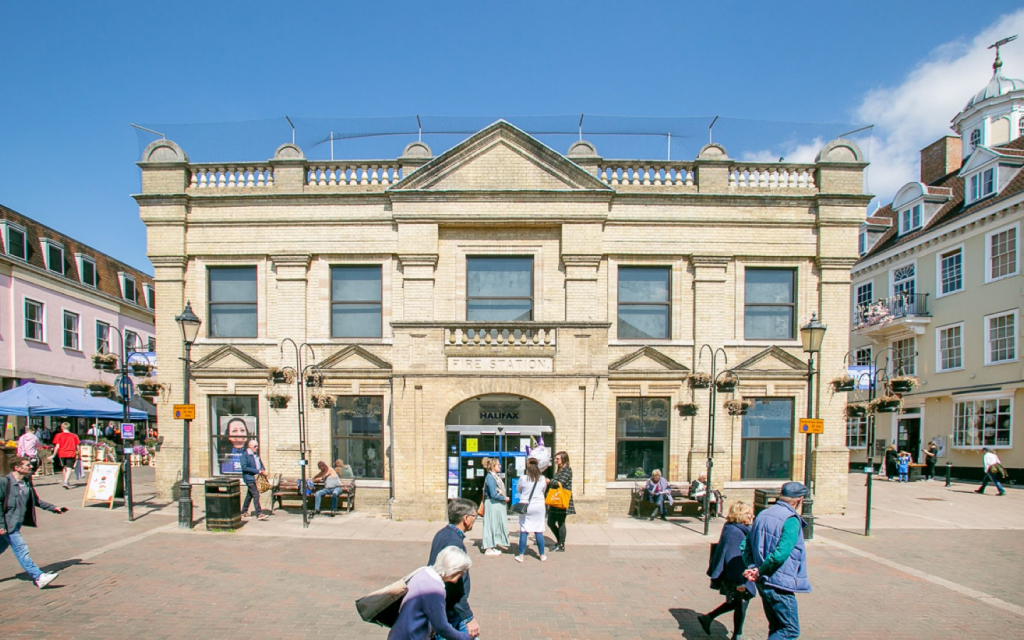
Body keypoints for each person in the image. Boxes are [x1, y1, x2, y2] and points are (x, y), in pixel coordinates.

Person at [741, 482, 811, 640]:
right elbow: (780, 554)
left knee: (777, 626)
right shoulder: (791, 519)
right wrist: (760, 570)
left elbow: (745, 544)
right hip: (779, 583)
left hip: (763, 581)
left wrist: (753, 567)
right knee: (790, 630)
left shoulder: (763, 514)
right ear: (799, 499)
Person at [0, 456, 68, 588]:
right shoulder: (4, 482)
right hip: (8, 524)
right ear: (17, 468)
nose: (31, 467)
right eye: (27, 465)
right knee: (21, 549)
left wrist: (53, 508)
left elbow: (36, 501)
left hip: (16, 522)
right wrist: (1, 525)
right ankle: (38, 576)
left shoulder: (26, 481)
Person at [389, 546, 475, 640]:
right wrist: (465, 637)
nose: (462, 575)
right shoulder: (435, 590)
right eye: (462, 572)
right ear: (454, 570)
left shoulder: (424, 572)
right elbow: (442, 628)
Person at [699, 501, 757, 640]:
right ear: (741, 515)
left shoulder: (734, 528)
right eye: (749, 514)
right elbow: (732, 559)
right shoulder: (735, 532)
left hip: (736, 574)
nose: (752, 516)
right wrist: (740, 582)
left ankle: (709, 618)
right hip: (736, 575)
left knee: (736, 602)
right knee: (741, 602)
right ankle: (737, 635)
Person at [428, 498, 479, 638]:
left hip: (446, 607)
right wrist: (468, 617)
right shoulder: (454, 543)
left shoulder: (443, 533)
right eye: (474, 516)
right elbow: (453, 584)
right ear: (466, 518)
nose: (475, 519)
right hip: (451, 609)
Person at [514, 457, 548, 562]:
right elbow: (543, 490)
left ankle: (521, 555)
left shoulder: (523, 478)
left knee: (524, 530)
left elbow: (518, 489)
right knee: (538, 530)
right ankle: (542, 555)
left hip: (526, 506)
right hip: (539, 506)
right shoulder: (542, 478)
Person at [480, 457, 509, 556]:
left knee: (494, 525)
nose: (500, 466)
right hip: (492, 504)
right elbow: (493, 493)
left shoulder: (494, 476)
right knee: (490, 525)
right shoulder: (490, 477)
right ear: (493, 466)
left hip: (495, 504)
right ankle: (488, 548)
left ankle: (492, 546)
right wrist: (504, 498)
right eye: (498, 465)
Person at [547, 450, 575, 552]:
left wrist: (550, 481)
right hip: (555, 500)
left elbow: (561, 483)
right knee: (550, 522)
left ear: (563, 459)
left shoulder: (567, 470)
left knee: (561, 522)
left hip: (562, 500)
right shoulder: (559, 469)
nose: (556, 460)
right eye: (555, 459)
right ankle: (559, 541)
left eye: (557, 459)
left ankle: (561, 544)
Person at [239, 439, 269, 520]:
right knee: (256, 494)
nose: (257, 448)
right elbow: (244, 467)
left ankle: (244, 511)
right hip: (249, 478)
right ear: (250, 446)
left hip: (256, 478)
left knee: (249, 495)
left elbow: (260, 464)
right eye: (255, 446)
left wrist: (262, 469)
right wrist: (257, 471)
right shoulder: (245, 455)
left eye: (257, 446)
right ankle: (259, 513)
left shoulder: (255, 455)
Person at [51, 422, 81, 489]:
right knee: (69, 467)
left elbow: (57, 446)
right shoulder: (74, 436)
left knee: (64, 467)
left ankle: (65, 480)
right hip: (71, 453)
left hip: (61, 453)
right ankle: (66, 481)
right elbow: (78, 446)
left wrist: (53, 454)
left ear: (61, 427)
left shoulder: (58, 435)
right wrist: (79, 455)